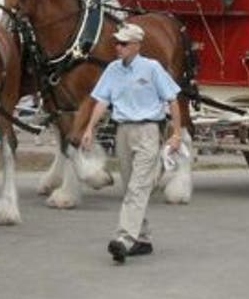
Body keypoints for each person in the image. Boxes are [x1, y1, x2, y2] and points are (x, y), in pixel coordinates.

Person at [79, 23, 184, 264]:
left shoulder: (152, 68)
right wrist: (89, 128)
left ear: (137, 46)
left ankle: (124, 239)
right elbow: (102, 101)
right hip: (122, 132)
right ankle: (143, 239)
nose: (118, 47)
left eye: (124, 44)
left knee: (137, 188)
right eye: (117, 42)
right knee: (129, 188)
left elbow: (172, 99)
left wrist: (176, 133)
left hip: (147, 131)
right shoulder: (113, 70)